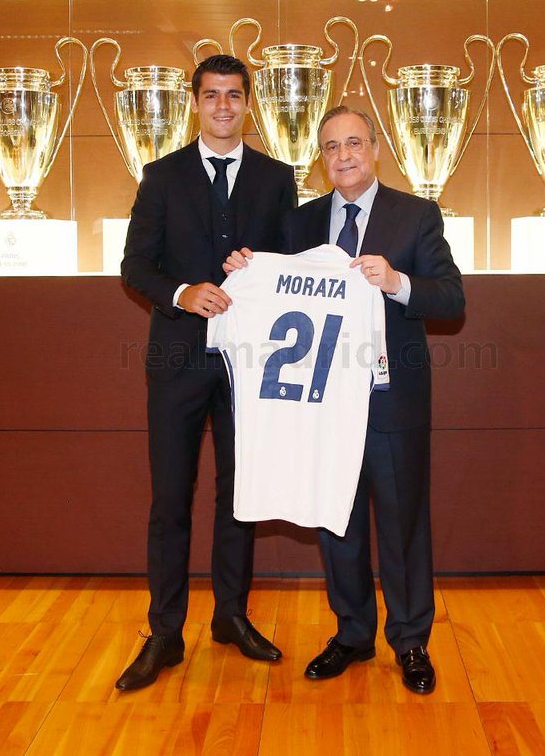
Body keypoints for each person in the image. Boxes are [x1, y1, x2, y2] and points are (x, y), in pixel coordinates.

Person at [230, 105, 464, 694]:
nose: (344, 156)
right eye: (332, 147)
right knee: (337, 519)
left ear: (376, 149)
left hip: (391, 401)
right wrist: (243, 270)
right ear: (321, 158)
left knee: (403, 524)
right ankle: (353, 633)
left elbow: (450, 298)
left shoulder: (416, 215)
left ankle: (411, 641)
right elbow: (273, 285)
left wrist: (396, 281)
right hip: (322, 403)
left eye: (354, 143)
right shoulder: (299, 222)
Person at [117, 54, 297, 691]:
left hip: (250, 362)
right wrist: (182, 292)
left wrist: (265, 266)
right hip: (176, 361)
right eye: (213, 94)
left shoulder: (278, 179)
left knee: (239, 497)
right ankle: (165, 633)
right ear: (195, 103)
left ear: (249, 104)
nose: (224, 106)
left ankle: (230, 616)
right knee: (170, 498)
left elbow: (292, 266)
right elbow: (135, 265)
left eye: (234, 95)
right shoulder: (160, 176)